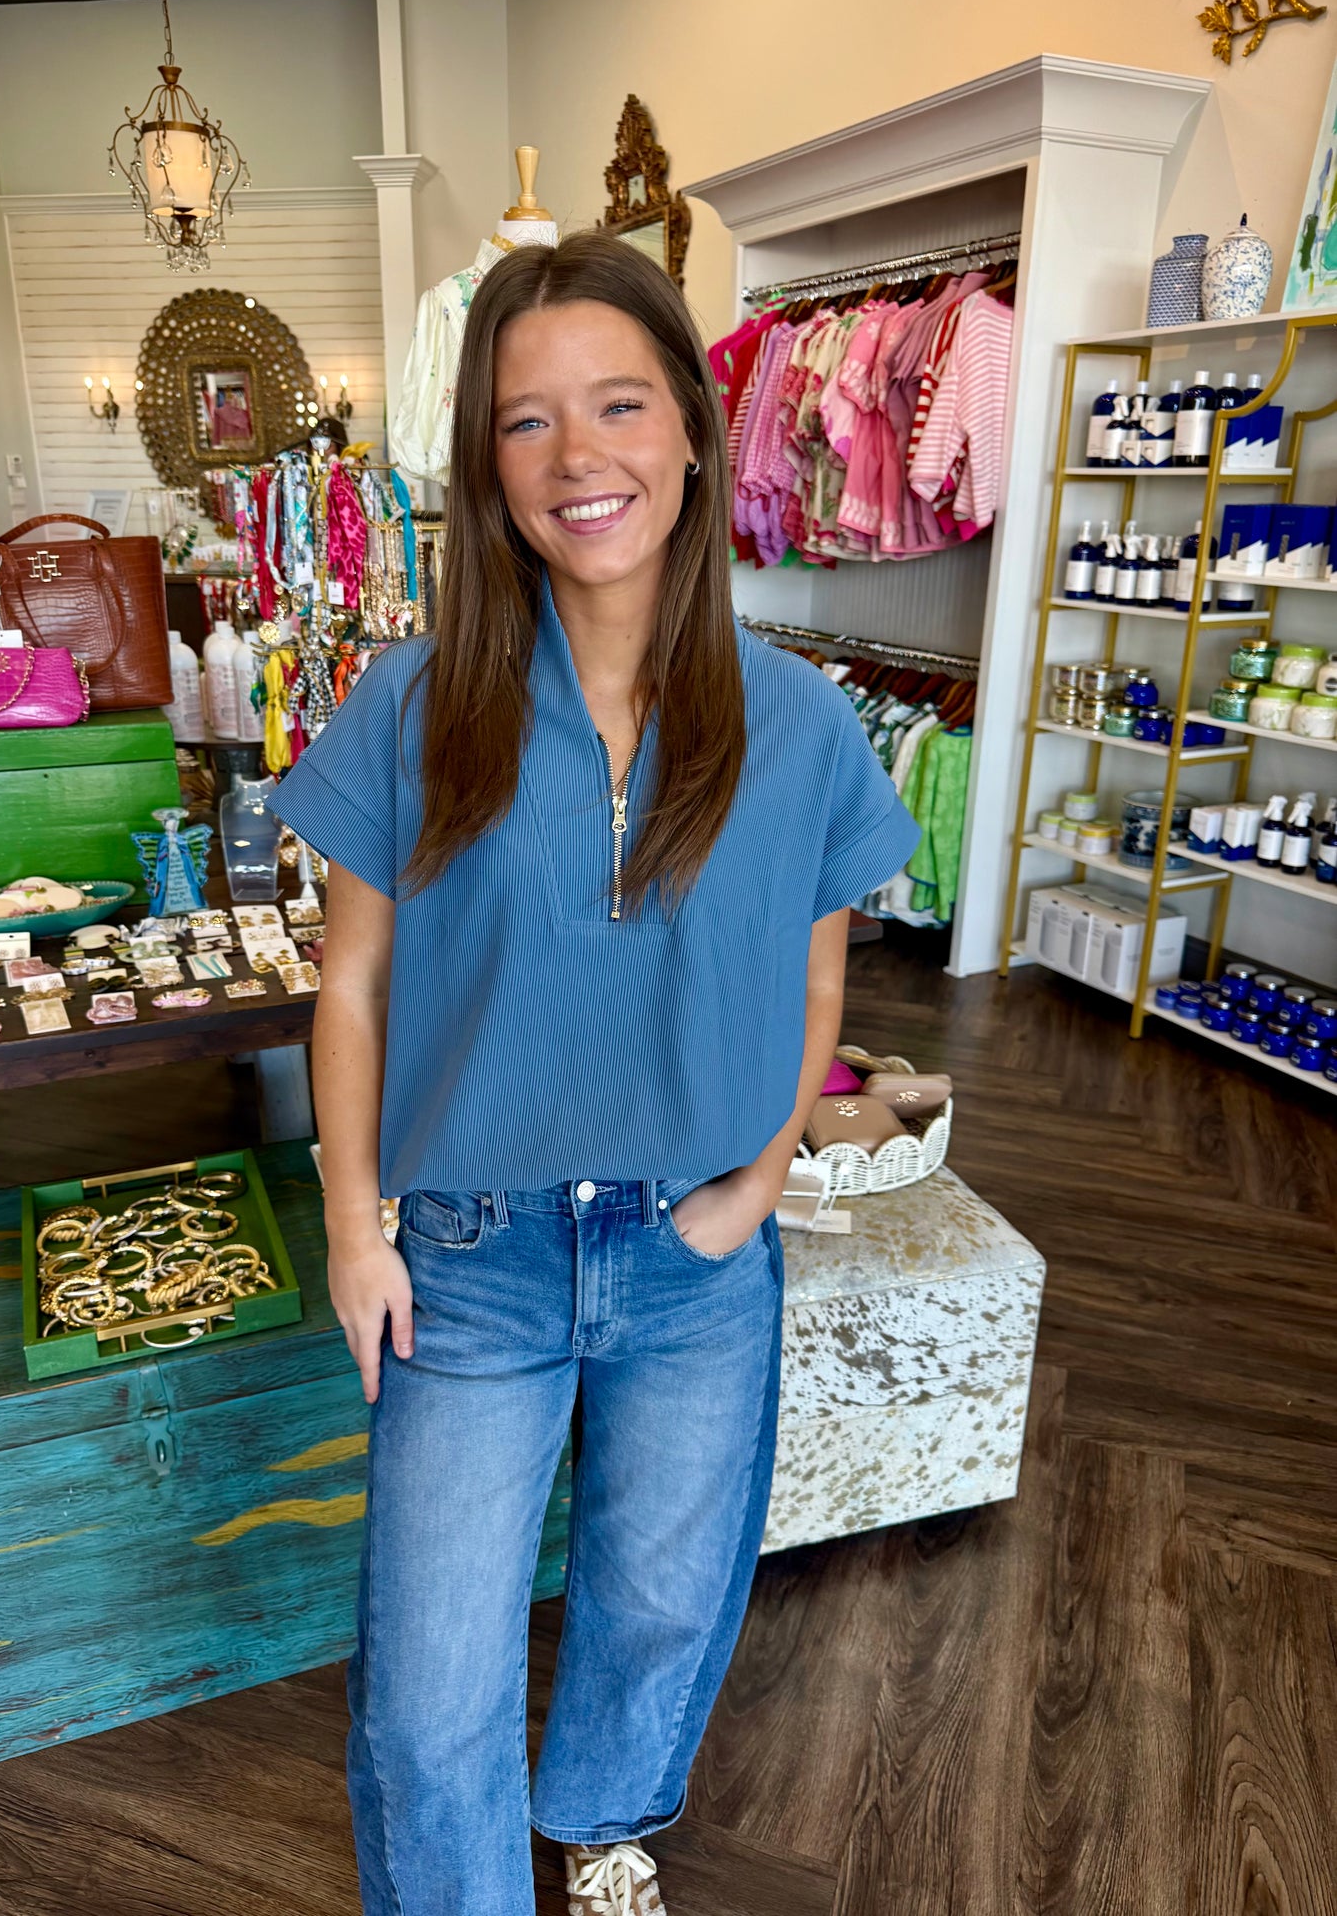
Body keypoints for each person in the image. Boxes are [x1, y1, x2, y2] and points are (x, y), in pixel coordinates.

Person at [268, 228, 919, 1916]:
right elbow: (351, 986)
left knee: (657, 1597)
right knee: (429, 1689)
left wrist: (759, 1181)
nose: (578, 457)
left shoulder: (802, 722)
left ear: (694, 430)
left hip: (694, 1249)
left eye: (617, 403)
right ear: (485, 466)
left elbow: (815, 970)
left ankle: (606, 1811)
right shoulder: (414, 706)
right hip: (468, 1260)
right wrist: (353, 1224)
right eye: (523, 421)